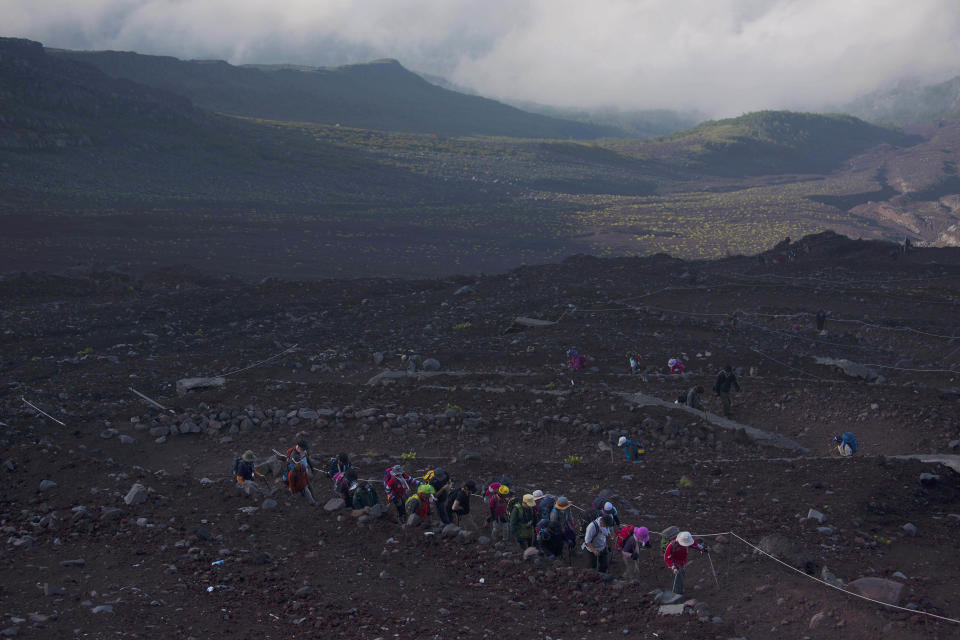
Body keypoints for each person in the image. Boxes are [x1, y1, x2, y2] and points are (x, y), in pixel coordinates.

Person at [664, 531, 707, 595]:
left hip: (682, 561)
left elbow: (695, 545)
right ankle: (677, 593)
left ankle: (679, 590)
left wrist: (703, 548)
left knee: (682, 574)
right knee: (678, 576)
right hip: (674, 562)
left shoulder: (687, 540)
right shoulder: (671, 545)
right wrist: (673, 567)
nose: (686, 545)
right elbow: (666, 558)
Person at [281, 440, 317, 506]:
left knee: (308, 486)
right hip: (297, 475)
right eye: (303, 448)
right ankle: (311, 500)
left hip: (302, 473)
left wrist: (312, 468)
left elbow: (307, 459)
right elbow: (291, 479)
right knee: (304, 488)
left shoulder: (304, 452)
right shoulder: (294, 455)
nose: (304, 450)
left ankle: (313, 500)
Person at [550, 496, 577, 560]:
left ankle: (572, 550)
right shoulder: (554, 512)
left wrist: (571, 523)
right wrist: (559, 530)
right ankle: (559, 556)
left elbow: (569, 515)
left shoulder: (567, 508)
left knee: (573, 538)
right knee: (560, 543)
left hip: (566, 525)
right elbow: (553, 523)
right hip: (558, 529)